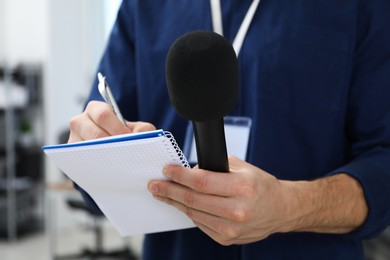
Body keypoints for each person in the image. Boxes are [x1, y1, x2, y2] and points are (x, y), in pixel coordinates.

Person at [68, 0, 390, 259]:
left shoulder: (360, 7)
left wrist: (289, 207)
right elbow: (96, 152)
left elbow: (383, 163)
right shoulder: (144, 7)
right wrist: (92, 152)